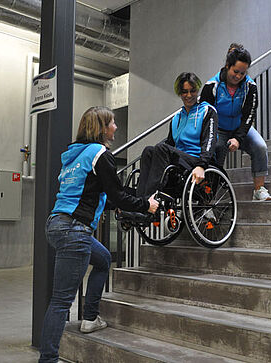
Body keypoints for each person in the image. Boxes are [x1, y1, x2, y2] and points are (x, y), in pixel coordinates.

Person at [38, 106, 159, 363]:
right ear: (102, 128)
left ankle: (90, 318)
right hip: (75, 230)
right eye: (113, 123)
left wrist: (126, 204)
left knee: (103, 259)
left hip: (57, 224)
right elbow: (116, 194)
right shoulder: (100, 154)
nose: (116, 127)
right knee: (61, 300)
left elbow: (96, 192)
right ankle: (48, 359)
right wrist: (145, 205)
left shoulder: (73, 154)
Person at [200, 43, 271, 201]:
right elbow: (204, 115)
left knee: (260, 146)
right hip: (217, 129)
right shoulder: (212, 86)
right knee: (215, 150)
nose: (239, 76)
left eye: (243, 72)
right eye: (235, 71)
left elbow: (249, 115)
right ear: (227, 66)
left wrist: (238, 138)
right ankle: (207, 200)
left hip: (240, 128)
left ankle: (259, 190)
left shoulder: (250, 87)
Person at [134, 72, 218, 202]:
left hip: (196, 160)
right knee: (149, 151)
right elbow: (170, 143)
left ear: (197, 90)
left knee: (161, 148)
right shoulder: (176, 118)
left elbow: (210, 140)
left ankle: (150, 200)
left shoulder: (207, 111)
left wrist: (202, 165)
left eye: (193, 91)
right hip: (180, 161)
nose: (189, 95)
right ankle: (140, 201)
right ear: (179, 93)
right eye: (184, 92)